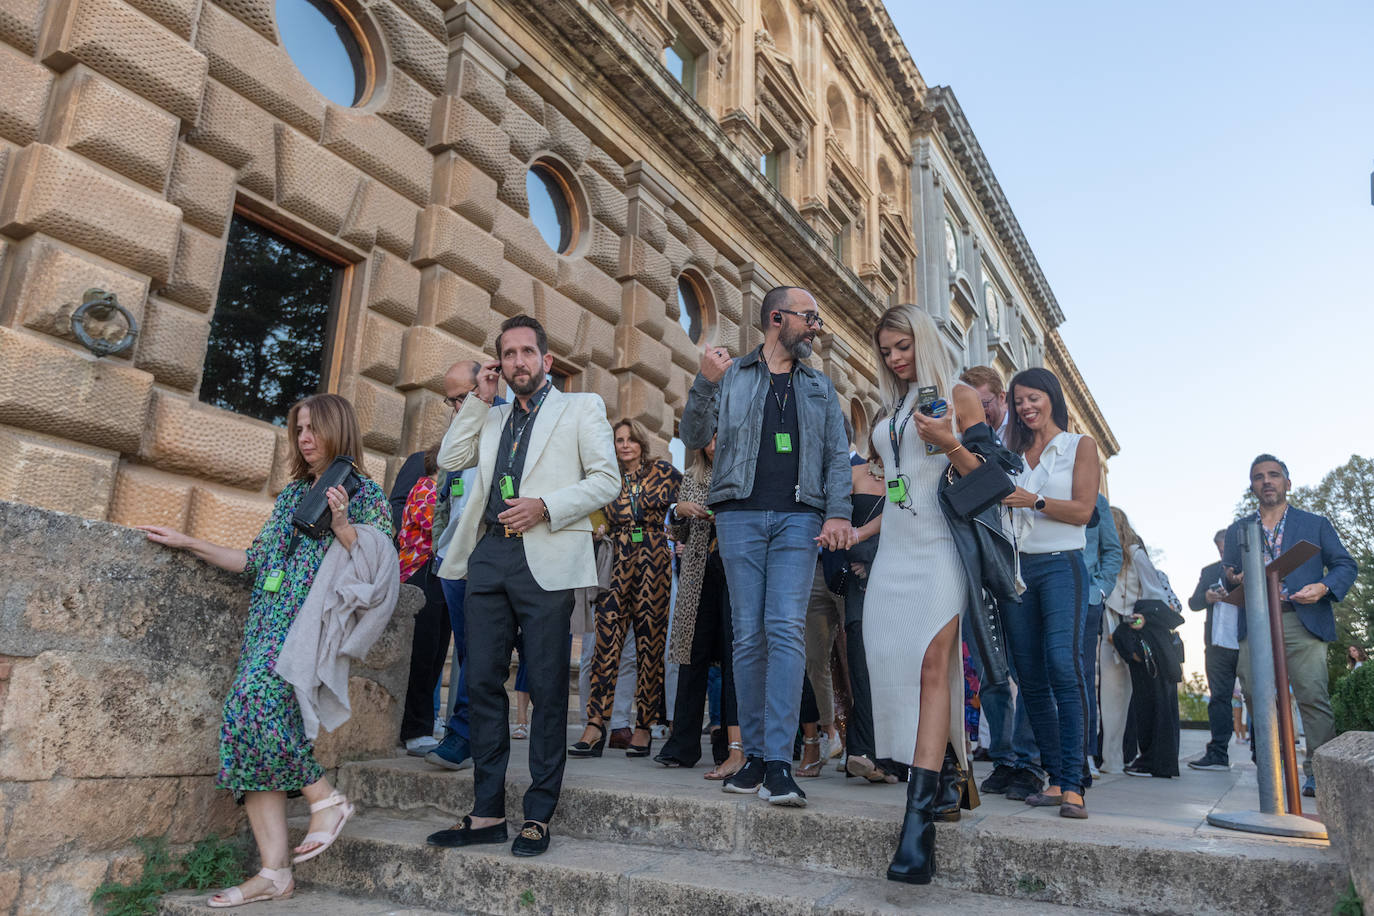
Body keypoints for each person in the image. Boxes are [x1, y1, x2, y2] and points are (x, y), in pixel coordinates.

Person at [140, 394, 394, 907]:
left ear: (337, 431)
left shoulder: (362, 492)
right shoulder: (292, 494)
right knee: (243, 732)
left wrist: (344, 527)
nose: (303, 438)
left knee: (253, 706)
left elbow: (379, 571)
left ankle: (325, 799)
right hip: (265, 624)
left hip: (305, 627)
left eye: (313, 428)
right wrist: (189, 541)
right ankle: (275, 872)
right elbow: (255, 561)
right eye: (298, 428)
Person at [423, 315, 619, 857]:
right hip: (488, 556)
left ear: (546, 359)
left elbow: (607, 480)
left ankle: (539, 813)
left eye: (526, 352)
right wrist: (478, 401)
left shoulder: (581, 409)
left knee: (551, 687)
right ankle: (486, 812)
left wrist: (546, 507)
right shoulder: (491, 413)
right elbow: (449, 459)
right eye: (507, 355)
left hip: (547, 557)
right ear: (499, 364)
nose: (517, 363)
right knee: (481, 680)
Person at [680, 286, 854, 808]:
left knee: (783, 629)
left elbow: (836, 458)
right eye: (810, 317)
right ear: (777, 318)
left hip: (800, 520)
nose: (816, 327)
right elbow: (692, 433)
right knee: (748, 637)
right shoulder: (731, 376)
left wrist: (839, 511)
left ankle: (779, 761)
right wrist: (703, 384)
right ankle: (752, 755)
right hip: (738, 515)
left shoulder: (821, 388)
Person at [861, 304, 991, 884]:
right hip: (896, 550)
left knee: (935, 666)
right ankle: (943, 775)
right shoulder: (887, 411)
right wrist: (858, 529)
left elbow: (990, 479)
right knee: (895, 664)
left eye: (903, 345)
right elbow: (895, 490)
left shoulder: (960, 397)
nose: (895, 358)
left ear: (925, 340)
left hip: (941, 546)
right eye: (887, 350)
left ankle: (917, 827)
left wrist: (948, 442)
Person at [1223, 454, 1357, 797]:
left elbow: (1345, 564)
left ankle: (1318, 772)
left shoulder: (1315, 524)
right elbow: (1230, 577)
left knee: (1312, 695)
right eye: (1258, 477)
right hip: (1256, 620)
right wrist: (1236, 578)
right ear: (1252, 486)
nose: (1266, 481)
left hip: (1302, 618)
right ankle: (1273, 767)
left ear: (1287, 483)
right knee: (1254, 691)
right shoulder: (1240, 528)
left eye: (1273, 475)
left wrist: (1324, 587)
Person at [1001, 367, 1100, 819]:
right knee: (1030, 678)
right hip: (1018, 571)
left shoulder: (1079, 446)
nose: (1026, 406)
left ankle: (1075, 781)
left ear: (1051, 398)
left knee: (1064, 663)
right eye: (1019, 400)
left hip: (1063, 566)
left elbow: (1082, 511)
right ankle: (1056, 778)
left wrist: (1034, 501)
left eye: (1033, 397)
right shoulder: (1011, 450)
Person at [572, 418, 682, 758]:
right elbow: (591, 509)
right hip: (616, 557)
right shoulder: (606, 475)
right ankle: (595, 724)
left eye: (630, 439)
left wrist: (678, 533)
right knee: (606, 641)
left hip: (653, 560)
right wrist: (598, 526)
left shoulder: (664, 473)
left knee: (651, 645)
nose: (624, 445)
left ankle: (644, 727)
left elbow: (686, 505)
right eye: (619, 440)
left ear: (641, 442)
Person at [959, 366, 1042, 802]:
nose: (977, 411)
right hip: (979, 565)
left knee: (1026, 667)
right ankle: (1006, 758)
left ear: (1000, 400)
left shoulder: (1025, 441)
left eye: (984, 403)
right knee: (991, 670)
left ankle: (1028, 761)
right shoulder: (962, 441)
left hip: (1022, 566)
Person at [655, 438, 745, 776]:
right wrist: (679, 510)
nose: (711, 443)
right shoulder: (692, 477)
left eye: (718, 434)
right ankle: (682, 744)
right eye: (705, 437)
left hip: (734, 571)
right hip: (697, 573)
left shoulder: (742, 471)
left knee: (733, 657)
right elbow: (675, 532)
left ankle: (729, 744)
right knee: (691, 657)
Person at [425, 360, 483, 771]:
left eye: (464, 397)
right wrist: (438, 550)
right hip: (451, 559)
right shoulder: (454, 444)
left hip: (489, 556)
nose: (458, 407)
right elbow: (445, 502)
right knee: (466, 650)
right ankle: (462, 733)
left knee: (480, 651)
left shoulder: (503, 433)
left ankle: (466, 734)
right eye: (453, 400)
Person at [1108, 508, 1184, 778]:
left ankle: (1155, 759)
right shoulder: (1123, 556)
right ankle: (1148, 757)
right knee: (1143, 697)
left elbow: (1155, 594)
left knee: (1155, 697)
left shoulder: (1136, 554)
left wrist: (1139, 616)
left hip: (1148, 632)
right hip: (1141, 630)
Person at [839, 446, 895, 783]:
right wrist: (855, 555)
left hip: (897, 579)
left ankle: (892, 759)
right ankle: (861, 753)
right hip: (859, 587)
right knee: (860, 667)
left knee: (893, 672)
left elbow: (913, 522)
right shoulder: (854, 475)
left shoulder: (908, 476)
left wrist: (870, 555)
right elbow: (836, 521)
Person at [392, 443, 451, 758]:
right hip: (421, 575)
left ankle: (422, 724)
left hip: (438, 576)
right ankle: (414, 730)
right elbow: (441, 530)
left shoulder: (439, 491)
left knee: (436, 653)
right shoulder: (427, 489)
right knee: (423, 655)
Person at [1187, 530, 1241, 771]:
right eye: (1219, 549)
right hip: (1216, 644)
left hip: (1246, 642)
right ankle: (1218, 753)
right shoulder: (1210, 571)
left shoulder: (1253, 568)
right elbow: (1193, 602)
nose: (1223, 553)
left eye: (1226, 548)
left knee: (1257, 697)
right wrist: (1207, 597)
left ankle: (1265, 754)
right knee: (1219, 698)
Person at [1081, 493, 1122, 776]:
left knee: (1082, 677)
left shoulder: (1096, 500)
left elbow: (1112, 551)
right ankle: (1031, 757)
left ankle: (1083, 754)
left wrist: (1099, 590)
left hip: (1085, 598)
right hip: (1035, 592)